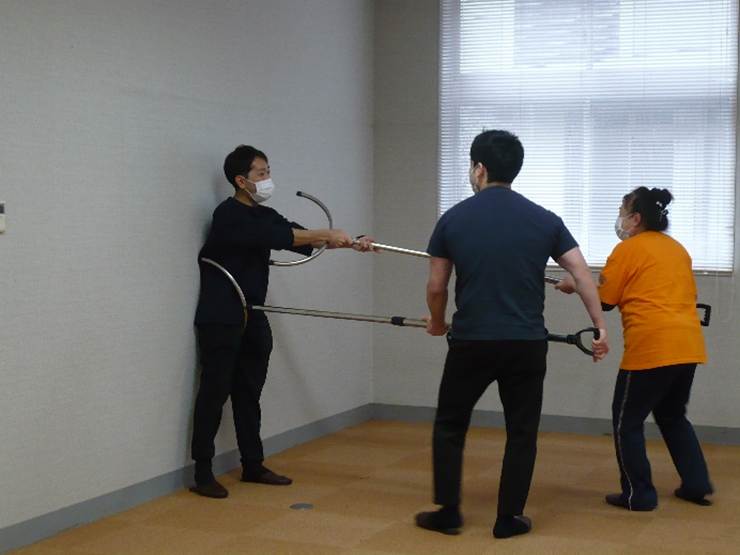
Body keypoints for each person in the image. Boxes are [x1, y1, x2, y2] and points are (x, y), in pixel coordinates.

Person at [415, 130, 609, 538]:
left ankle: (448, 512)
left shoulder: (453, 219)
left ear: (479, 168)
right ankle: (508, 518)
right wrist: (600, 327)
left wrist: (436, 321)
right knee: (521, 431)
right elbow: (581, 275)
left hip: (471, 342)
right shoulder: (545, 220)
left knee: (450, 424)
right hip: (526, 344)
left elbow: (436, 287)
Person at [190, 145, 374, 498]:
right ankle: (202, 471)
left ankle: (253, 465)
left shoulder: (265, 214)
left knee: (249, 392)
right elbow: (278, 237)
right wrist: (325, 233)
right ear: (241, 181)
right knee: (215, 392)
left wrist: (353, 242)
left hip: (253, 313)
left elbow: (302, 239)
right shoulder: (228, 215)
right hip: (222, 316)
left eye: (268, 172)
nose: (267, 179)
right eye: (261, 174)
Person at [556, 187, 712, 510]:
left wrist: (576, 285)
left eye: (622, 211)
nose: (620, 218)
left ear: (636, 218)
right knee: (673, 415)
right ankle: (697, 484)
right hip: (688, 345)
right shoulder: (677, 249)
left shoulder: (627, 249)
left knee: (626, 421)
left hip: (651, 347)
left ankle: (638, 494)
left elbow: (605, 300)